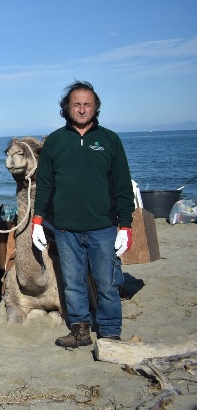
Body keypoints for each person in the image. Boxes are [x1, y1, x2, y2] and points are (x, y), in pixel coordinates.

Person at [32, 80, 134, 348]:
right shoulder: (55, 141)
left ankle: (111, 332)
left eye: (86, 104)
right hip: (65, 229)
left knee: (107, 283)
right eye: (76, 104)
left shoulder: (110, 139)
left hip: (103, 227)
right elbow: (44, 185)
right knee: (74, 284)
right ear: (67, 107)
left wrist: (126, 225)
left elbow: (123, 184)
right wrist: (37, 221)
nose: (81, 109)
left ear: (95, 107)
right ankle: (79, 330)